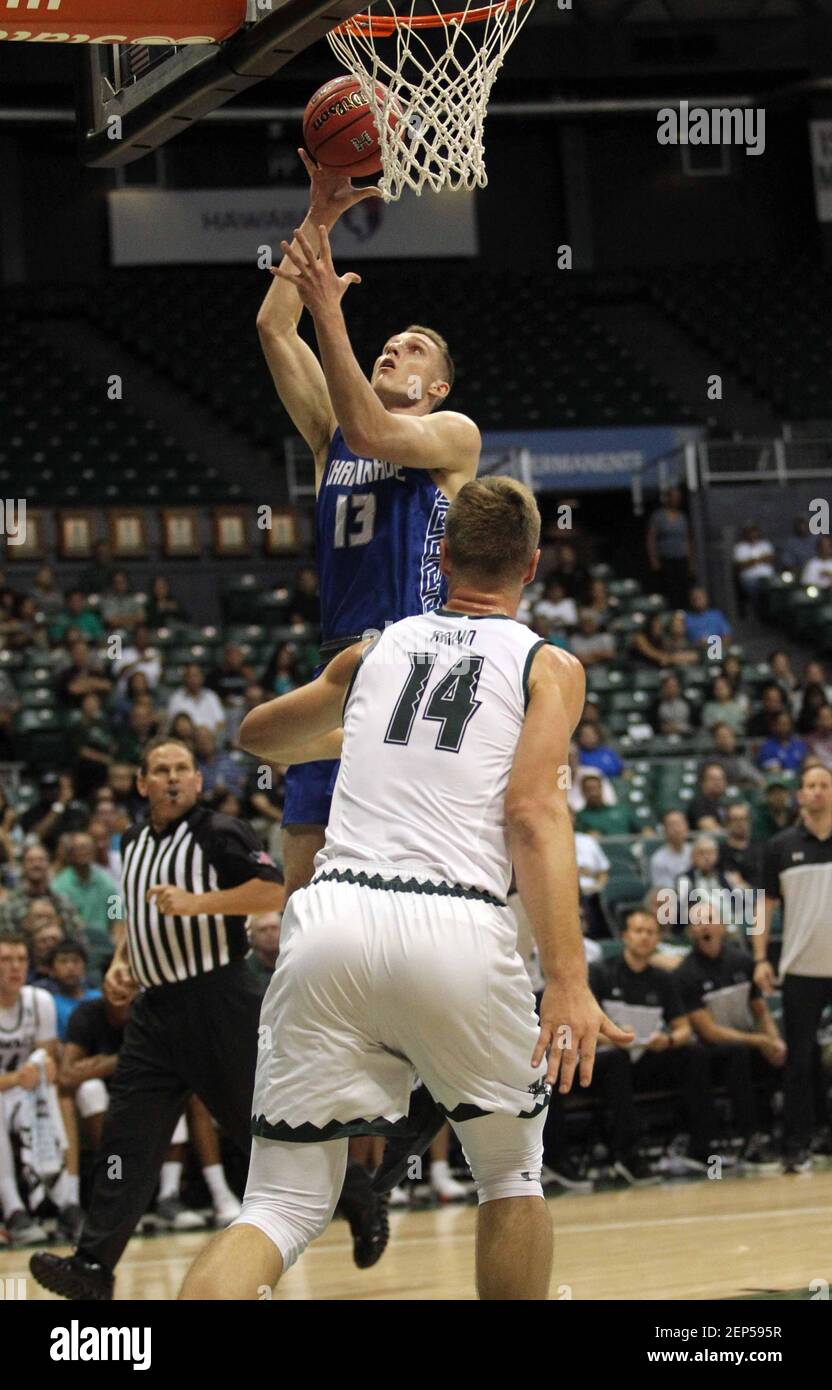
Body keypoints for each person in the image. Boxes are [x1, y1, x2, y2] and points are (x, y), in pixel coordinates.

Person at [180, 477, 632, 1301]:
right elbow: (533, 811)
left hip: (331, 917)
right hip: (455, 922)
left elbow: (256, 738)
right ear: (531, 566)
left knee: (279, 1204)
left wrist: (358, 733)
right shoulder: (548, 664)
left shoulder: (376, 647)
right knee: (508, 1175)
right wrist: (569, 980)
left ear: (444, 558)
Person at [252, 151, 479, 906]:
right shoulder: (331, 441)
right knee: (303, 891)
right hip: (333, 671)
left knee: (400, 885)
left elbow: (378, 431)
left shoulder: (452, 437)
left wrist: (331, 314)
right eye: (391, 341)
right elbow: (273, 330)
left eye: (414, 349)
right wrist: (320, 215)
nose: (395, 347)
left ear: (437, 385)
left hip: (412, 667)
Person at [29, 736, 311, 1300]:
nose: (174, 778)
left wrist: (194, 902)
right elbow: (134, 916)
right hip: (154, 1010)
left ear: (198, 781)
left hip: (218, 999)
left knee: (257, 1125)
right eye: (161, 770)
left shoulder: (219, 832)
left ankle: (357, 1197)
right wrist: (120, 961)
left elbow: (269, 891)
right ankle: (92, 1266)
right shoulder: (131, 841)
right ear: (142, 784)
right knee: (127, 1137)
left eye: (183, 768)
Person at [754, 764, 832, 1172]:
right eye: (810, 786)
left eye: (823, 785)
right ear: (800, 795)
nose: (816, 791)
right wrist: (760, 959)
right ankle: (796, 1146)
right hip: (801, 967)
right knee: (799, 1060)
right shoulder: (780, 846)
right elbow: (762, 909)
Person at [676, 901, 782, 1169]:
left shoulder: (743, 961)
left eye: (709, 918)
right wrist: (760, 1040)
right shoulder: (685, 973)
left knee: (799, 1050)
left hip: (747, 1041)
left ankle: (801, 1135)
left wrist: (775, 1041)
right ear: (690, 931)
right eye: (697, 921)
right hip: (712, 1051)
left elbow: (760, 1012)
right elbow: (708, 1032)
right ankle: (750, 1140)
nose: (705, 925)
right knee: (737, 1054)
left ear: (723, 925)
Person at [0, 935, 78, 1244]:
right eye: (5, 960)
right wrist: (19, 1078)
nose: (14, 967)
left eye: (20, 959)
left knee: (62, 1097)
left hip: (26, 1091)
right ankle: (14, 1208)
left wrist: (40, 1069)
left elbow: (49, 1057)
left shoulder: (38, 1001)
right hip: (7, 1089)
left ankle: (68, 1202)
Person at [51, 833, 122, 982]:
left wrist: (117, 950)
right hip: (72, 946)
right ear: (70, 854)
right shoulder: (58, 885)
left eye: (88, 847)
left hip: (103, 946)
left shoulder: (108, 883)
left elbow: (117, 919)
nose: (85, 851)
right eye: (79, 848)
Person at [645, 485, 694, 609]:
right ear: (667, 498)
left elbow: (687, 540)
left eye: (678, 497)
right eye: (674, 497)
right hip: (665, 560)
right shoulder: (658, 516)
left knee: (682, 589)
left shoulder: (682, 517)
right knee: (669, 590)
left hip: (681, 558)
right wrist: (654, 560)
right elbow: (651, 539)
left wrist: (691, 562)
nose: (676, 499)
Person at [167, 664, 226, 741]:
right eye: (190, 676)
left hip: (210, 739)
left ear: (202, 678)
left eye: (196, 675)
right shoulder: (177, 698)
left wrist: (209, 734)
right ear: (184, 678)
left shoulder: (211, 696)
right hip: (188, 740)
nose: (193, 679)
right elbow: (175, 724)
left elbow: (220, 722)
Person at [704, 722, 764, 791]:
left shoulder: (740, 759)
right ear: (715, 740)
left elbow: (759, 780)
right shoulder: (709, 762)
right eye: (722, 737)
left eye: (729, 736)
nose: (726, 740)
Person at [718, 802, 764, 890]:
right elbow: (735, 883)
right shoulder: (721, 852)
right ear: (727, 823)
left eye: (744, 819)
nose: (740, 824)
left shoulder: (760, 848)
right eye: (735, 820)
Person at [649, 810, 692, 889]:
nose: (677, 829)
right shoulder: (659, 859)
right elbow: (663, 891)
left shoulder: (694, 851)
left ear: (687, 827)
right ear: (664, 830)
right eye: (672, 825)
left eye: (680, 824)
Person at [733, 523, 775, 601]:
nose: (752, 533)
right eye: (750, 531)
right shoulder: (740, 547)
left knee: (777, 588)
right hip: (750, 579)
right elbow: (741, 566)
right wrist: (761, 559)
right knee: (755, 590)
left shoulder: (765, 544)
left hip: (768, 578)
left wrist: (752, 561)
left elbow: (771, 559)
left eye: (754, 531)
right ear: (745, 533)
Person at [751, 773, 796, 842]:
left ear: (787, 793)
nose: (777, 797)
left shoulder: (794, 814)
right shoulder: (761, 816)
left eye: (780, 792)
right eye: (773, 793)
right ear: (767, 796)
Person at [684, 585, 731, 649]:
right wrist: (698, 644)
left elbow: (726, 635)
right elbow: (681, 640)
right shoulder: (686, 618)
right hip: (695, 651)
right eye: (695, 599)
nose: (698, 601)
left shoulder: (716, 615)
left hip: (717, 650)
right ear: (691, 601)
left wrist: (718, 648)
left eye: (700, 598)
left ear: (706, 598)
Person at [687, 762, 729, 830]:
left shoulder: (725, 802)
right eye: (713, 779)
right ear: (703, 782)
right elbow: (711, 829)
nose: (717, 783)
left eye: (720, 779)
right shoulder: (699, 803)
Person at [806, 703, 832, 769]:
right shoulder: (810, 740)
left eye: (829, 717)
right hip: (821, 774)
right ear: (816, 720)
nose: (826, 721)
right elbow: (810, 761)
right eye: (823, 718)